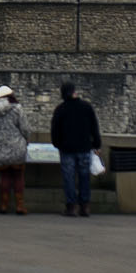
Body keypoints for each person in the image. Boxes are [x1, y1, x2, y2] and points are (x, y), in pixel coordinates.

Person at [50, 82, 102, 217]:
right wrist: (96, 144)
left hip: (67, 148)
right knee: (84, 177)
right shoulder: (86, 107)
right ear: (75, 92)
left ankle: (71, 206)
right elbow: (94, 127)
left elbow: (55, 130)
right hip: (84, 147)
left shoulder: (61, 109)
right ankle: (84, 206)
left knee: (69, 178)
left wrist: (57, 144)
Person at [0, 85, 30, 215]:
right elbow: (25, 128)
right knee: (18, 175)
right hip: (17, 147)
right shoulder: (17, 109)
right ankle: (19, 205)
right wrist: (27, 139)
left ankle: (4, 205)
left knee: (5, 176)